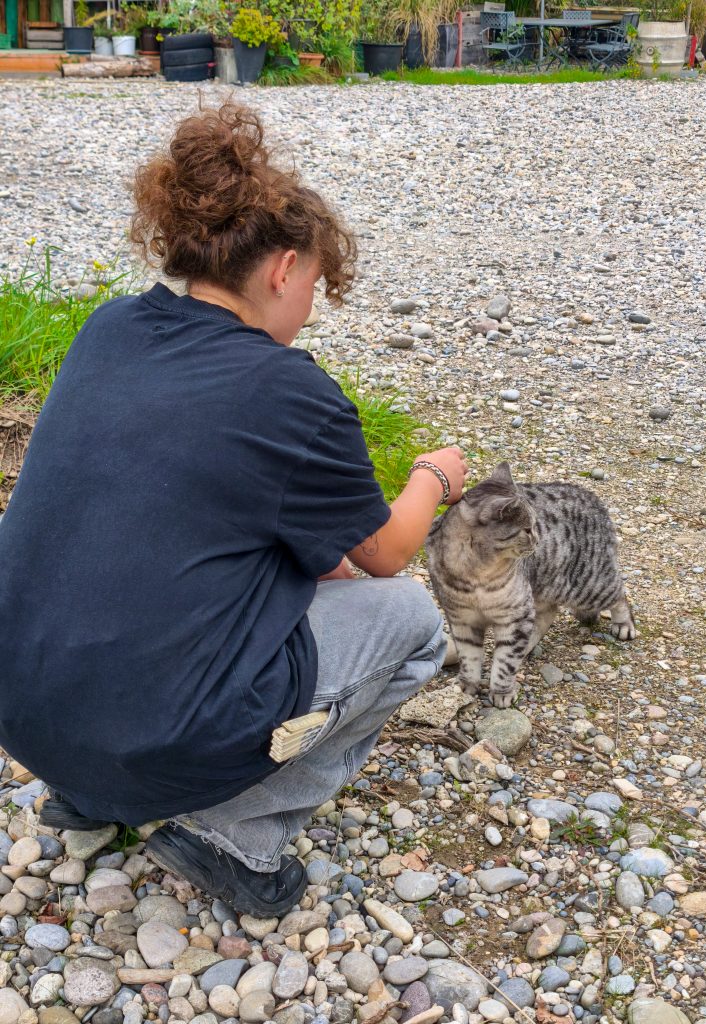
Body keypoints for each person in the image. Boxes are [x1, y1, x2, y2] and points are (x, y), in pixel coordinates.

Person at [0, 103, 468, 916]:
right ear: (283, 270)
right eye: (315, 286)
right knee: (413, 621)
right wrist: (432, 475)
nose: (309, 310)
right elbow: (387, 554)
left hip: (22, 709)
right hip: (146, 732)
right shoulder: (290, 389)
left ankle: (91, 792)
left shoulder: (112, 329)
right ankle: (236, 839)